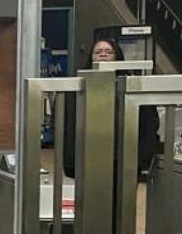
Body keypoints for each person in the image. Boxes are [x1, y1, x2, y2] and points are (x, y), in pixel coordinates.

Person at [63, 38, 161, 179]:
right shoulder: (78, 89)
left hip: (124, 156)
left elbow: (149, 123)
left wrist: (143, 158)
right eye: (98, 52)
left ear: (117, 56)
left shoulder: (131, 86)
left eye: (108, 52)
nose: (103, 54)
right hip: (89, 155)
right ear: (91, 57)